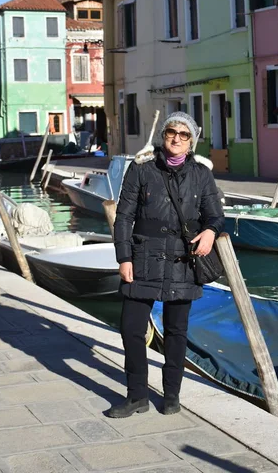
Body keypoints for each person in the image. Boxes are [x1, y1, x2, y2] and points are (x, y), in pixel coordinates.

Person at [108, 112, 225, 419]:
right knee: (131, 329)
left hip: (183, 261)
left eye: (184, 134)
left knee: (176, 331)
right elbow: (124, 217)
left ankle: (171, 395)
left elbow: (215, 214)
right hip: (143, 258)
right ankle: (137, 397)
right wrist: (124, 258)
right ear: (163, 135)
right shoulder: (141, 169)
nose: (176, 138)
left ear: (192, 142)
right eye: (171, 131)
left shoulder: (201, 174)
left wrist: (211, 232)